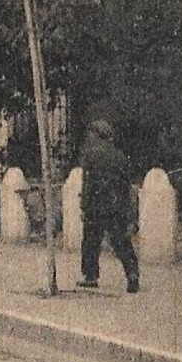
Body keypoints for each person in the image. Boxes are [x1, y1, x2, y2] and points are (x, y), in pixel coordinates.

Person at [79, 118, 140, 294]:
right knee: (121, 241)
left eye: (91, 133)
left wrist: (83, 205)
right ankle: (132, 273)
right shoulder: (120, 156)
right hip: (117, 205)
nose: (89, 137)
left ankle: (91, 276)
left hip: (96, 205)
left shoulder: (90, 155)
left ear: (96, 135)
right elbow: (126, 185)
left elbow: (88, 183)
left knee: (91, 241)